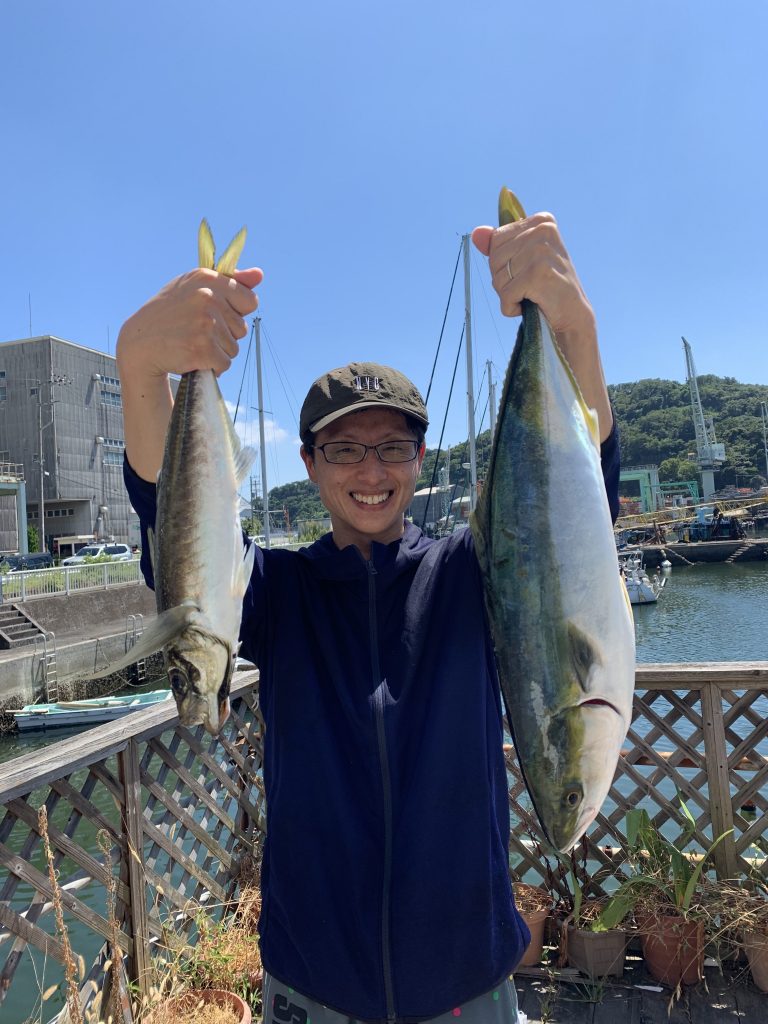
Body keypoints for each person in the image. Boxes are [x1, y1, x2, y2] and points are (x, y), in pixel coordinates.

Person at [117, 212, 620, 1024]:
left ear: (421, 460)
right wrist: (142, 368)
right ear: (310, 464)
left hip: (469, 984)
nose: (372, 471)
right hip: (312, 987)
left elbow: (576, 520)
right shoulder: (276, 593)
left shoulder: (473, 573)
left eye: (393, 447)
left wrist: (574, 326)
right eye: (344, 449)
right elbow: (176, 549)